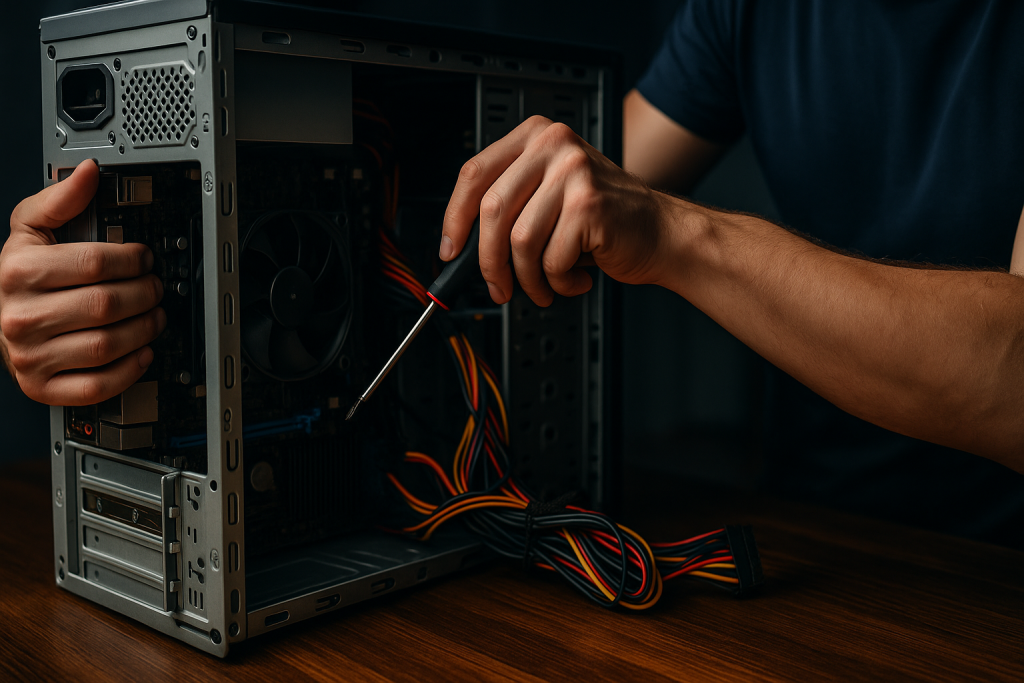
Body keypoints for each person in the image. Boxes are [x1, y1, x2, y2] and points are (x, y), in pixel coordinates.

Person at [2, 1, 1023, 544]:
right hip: (808, 533)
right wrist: (121, 298)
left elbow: (1014, 381)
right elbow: (546, 214)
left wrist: (681, 234)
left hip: (990, 578)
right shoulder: (750, 6)